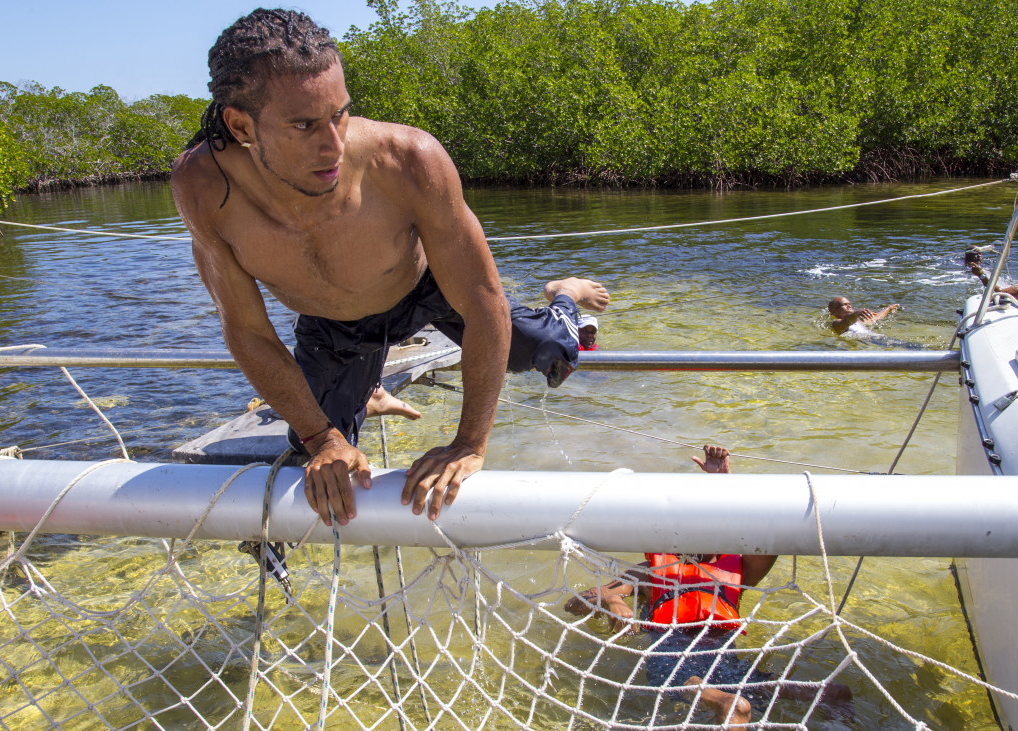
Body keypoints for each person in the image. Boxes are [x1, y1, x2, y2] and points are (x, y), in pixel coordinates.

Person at [172, 9, 609, 526]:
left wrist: (469, 443)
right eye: (304, 125)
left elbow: (482, 302)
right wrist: (323, 437)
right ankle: (368, 394)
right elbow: (246, 329)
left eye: (339, 114)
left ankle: (565, 295)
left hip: (427, 288)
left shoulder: (409, 160)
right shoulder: (203, 187)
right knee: (306, 461)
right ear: (241, 125)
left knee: (552, 354)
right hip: (331, 324)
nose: (333, 145)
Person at [564, 445, 850, 724]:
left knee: (835, 693)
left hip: (724, 655)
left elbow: (772, 533)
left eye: (712, 526)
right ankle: (726, 707)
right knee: (729, 702)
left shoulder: (738, 569)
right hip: (674, 654)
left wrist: (724, 485)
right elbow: (575, 603)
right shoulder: (654, 571)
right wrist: (612, 600)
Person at [827, 297, 900, 336]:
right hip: (867, 342)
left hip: (877, 338)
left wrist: (889, 308)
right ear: (834, 310)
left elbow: (877, 316)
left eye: (850, 304)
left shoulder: (859, 321)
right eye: (845, 304)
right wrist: (855, 314)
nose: (849, 306)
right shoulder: (835, 323)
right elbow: (846, 321)